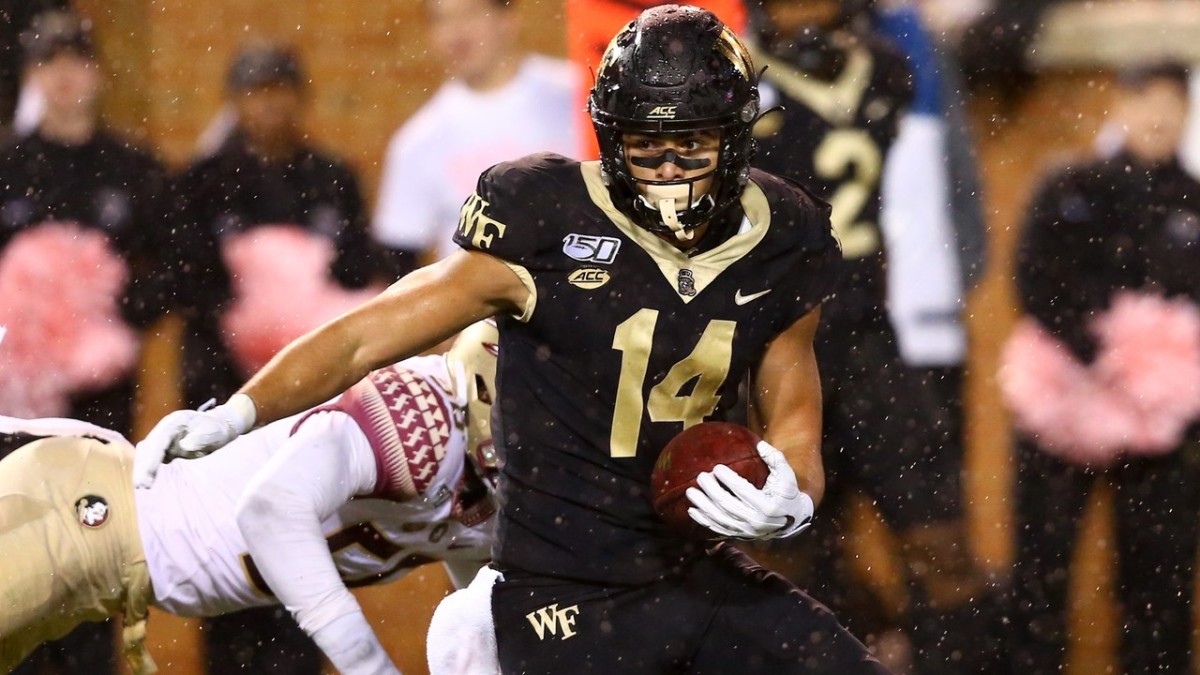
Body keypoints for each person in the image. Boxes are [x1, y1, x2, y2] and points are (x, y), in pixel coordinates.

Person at [136, 6, 890, 674]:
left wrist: (792, 496)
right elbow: (365, 336)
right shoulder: (546, 216)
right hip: (563, 591)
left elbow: (792, 404)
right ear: (607, 134)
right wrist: (238, 411)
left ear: (735, 136)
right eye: (643, 146)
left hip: (694, 568)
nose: (666, 173)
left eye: (689, 146)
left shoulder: (781, 233)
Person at [0, 321, 501, 675]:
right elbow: (272, 510)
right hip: (83, 519)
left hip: (106, 567)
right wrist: (370, 667)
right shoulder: (423, 413)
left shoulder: (503, 486)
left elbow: (482, 614)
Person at [744, 2, 1000, 671]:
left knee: (943, 552)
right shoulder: (744, 79)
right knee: (783, 560)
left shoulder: (880, 69)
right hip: (780, 346)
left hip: (865, 339)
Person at [169, 42, 384, 674]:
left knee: (306, 533)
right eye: (256, 92)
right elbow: (188, 288)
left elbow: (358, 273)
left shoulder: (331, 176)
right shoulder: (204, 181)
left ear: (300, 95)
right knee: (224, 541)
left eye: (279, 90)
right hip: (222, 399)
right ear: (236, 101)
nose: (269, 105)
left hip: (306, 402)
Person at [1001, 61, 1200, 675]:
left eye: (1173, 102)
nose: (1159, 115)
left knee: (1158, 575)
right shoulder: (1073, 185)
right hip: (1062, 402)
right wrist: (1105, 357)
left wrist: (1161, 381)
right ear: (1122, 103)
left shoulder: (1193, 200)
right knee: (1041, 569)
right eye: (1147, 99)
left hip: (1167, 422)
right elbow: (1034, 278)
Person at [0, 10, 171, 673]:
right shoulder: (10, 168)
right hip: (19, 410)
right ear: (33, 75)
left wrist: (118, 308)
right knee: (18, 548)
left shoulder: (133, 168)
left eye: (75, 61)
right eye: (49, 63)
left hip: (100, 405)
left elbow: (176, 268)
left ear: (95, 71)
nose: (64, 76)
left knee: (91, 546)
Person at [371, 0, 582, 276]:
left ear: (508, 18)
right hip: (485, 315)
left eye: (470, 14)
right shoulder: (419, 141)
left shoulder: (577, 96)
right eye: (442, 19)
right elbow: (399, 260)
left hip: (594, 298)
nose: (457, 33)